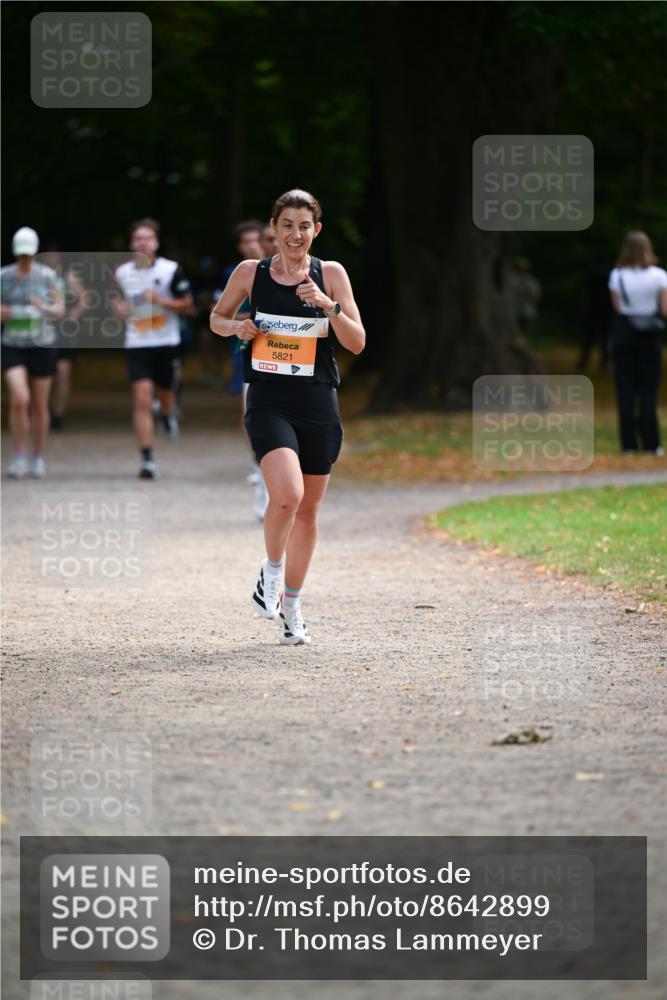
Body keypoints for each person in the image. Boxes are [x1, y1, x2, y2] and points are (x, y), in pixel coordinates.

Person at [210, 189, 365, 644]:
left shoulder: (330, 274)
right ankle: (271, 572)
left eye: (304, 226)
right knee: (286, 497)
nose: (295, 234)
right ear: (272, 230)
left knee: (309, 513)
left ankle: (293, 608)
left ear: (316, 230)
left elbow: (356, 341)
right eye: (287, 225)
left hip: (317, 401)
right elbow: (217, 319)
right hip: (269, 397)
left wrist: (327, 304)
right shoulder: (250, 273)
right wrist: (237, 325)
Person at [114, 218, 193, 478]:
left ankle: (168, 414)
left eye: (147, 238)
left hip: (166, 343)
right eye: (138, 239)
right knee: (142, 400)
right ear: (132, 243)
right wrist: (120, 310)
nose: (143, 243)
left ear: (156, 242)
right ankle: (147, 460)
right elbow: (117, 303)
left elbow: (188, 305)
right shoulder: (123, 273)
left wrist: (161, 301)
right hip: (137, 343)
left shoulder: (170, 270)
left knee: (166, 395)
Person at [1, 227, 64, 478]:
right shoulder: (3, 276)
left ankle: (37, 456)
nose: (25, 259)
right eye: (21, 255)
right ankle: (19, 455)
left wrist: (44, 307)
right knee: (20, 398)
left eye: (28, 254)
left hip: (42, 344)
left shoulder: (48, 276)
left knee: (39, 404)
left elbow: (59, 309)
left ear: (35, 252)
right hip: (12, 344)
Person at [608, 230, 667, 455]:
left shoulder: (617, 275)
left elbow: (617, 307)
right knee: (648, 389)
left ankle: (628, 444)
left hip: (625, 332)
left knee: (625, 389)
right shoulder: (659, 275)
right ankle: (652, 443)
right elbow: (663, 308)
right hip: (649, 335)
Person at [39, 248, 92, 431]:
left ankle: (58, 415)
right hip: (42, 329)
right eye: (48, 254)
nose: (51, 257)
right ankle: (42, 411)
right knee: (44, 374)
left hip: (63, 331)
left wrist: (73, 316)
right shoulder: (36, 275)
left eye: (54, 254)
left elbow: (85, 298)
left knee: (63, 373)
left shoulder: (68, 275)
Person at [510, 257, 542, 338]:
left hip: (527, 312)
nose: (521, 270)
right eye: (519, 268)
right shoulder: (512, 280)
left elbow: (535, 297)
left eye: (523, 268)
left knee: (524, 333)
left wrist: (528, 295)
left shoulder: (531, 282)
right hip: (513, 311)